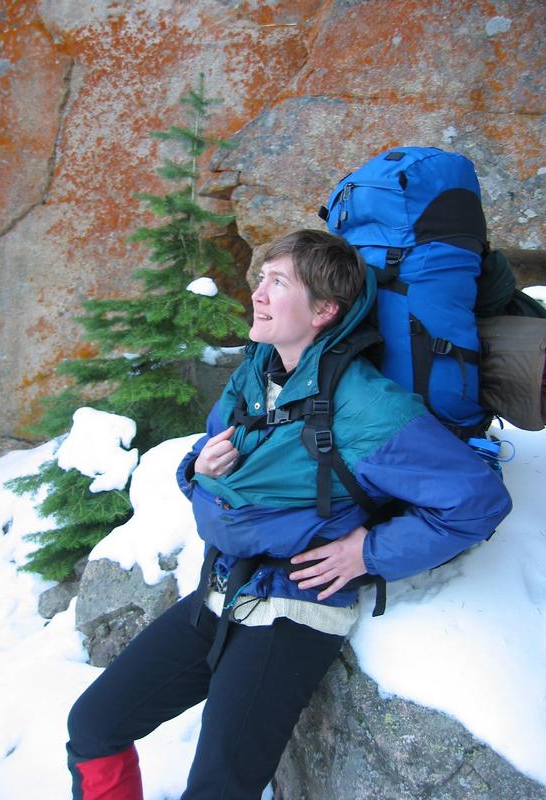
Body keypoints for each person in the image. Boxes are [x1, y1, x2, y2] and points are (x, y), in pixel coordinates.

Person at [66, 229, 512, 799]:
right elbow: (209, 462)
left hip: (290, 614)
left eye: (278, 282)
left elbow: (476, 500)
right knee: (94, 726)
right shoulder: (255, 374)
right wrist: (198, 467)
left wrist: (367, 552)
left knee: (217, 790)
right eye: (261, 278)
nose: (257, 293)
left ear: (324, 310)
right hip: (222, 588)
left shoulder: (368, 406)